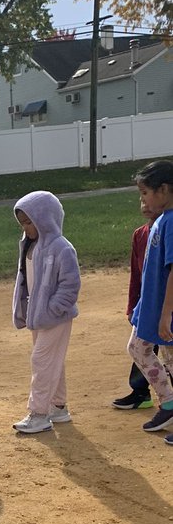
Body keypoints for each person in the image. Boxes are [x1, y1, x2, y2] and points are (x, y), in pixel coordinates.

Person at [10, 191, 81, 435]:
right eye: (23, 223)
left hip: (55, 318)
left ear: (46, 218)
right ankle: (58, 408)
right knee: (53, 362)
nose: (27, 228)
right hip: (37, 316)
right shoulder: (29, 246)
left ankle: (38, 414)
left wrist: (53, 308)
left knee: (41, 361)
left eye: (30, 222)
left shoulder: (62, 248)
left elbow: (71, 285)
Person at [128, 160, 173, 441]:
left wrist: (166, 313)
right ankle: (169, 402)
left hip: (165, 309)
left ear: (164, 189)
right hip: (153, 305)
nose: (142, 199)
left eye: (145, 192)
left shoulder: (171, 222)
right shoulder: (161, 219)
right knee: (137, 348)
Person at [112, 189, 163, 410]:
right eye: (140, 199)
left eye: (147, 198)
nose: (144, 204)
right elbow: (137, 275)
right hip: (148, 303)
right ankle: (141, 392)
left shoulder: (168, 230)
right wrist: (133, 306)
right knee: (141, 347)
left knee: (164, 352)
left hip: (166, 303)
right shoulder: (140, 234)